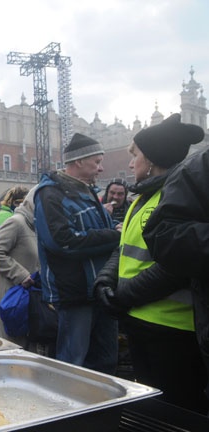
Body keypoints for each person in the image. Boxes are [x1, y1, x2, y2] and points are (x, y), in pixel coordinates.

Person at [95, 114, 207, 413]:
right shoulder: (141, 198)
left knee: (176, 408)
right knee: (150, 404)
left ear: (153, 159)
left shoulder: (178, 196)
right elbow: (124, 248)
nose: (131, 164)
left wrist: (123, 295)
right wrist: (105, 280)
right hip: (140, 320)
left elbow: (177, 265)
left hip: (172, 326)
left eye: (136, 156)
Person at [34, 132, 121, 374]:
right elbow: (63, 242)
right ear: (79, 161)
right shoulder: (50, 194)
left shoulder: (88, 191)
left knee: (104, 360)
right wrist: (116, 235)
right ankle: (73, 411)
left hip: (99, 288)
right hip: (74, 292)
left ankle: (102, 409)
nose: (101, 169)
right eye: (97, 162)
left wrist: (112, 231)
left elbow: (94, 232)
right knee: (74, 363)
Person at [143, 145, 209, 412]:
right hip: (153, 316)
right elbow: (162, 238)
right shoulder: (197, 169)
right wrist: (118, 292)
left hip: (165, 316)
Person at [0, 186, 40, 345]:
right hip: (10, 294)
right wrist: (21, 275)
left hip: (27, 294)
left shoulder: (35, 225)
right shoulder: (16, 222)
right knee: (9, 341)